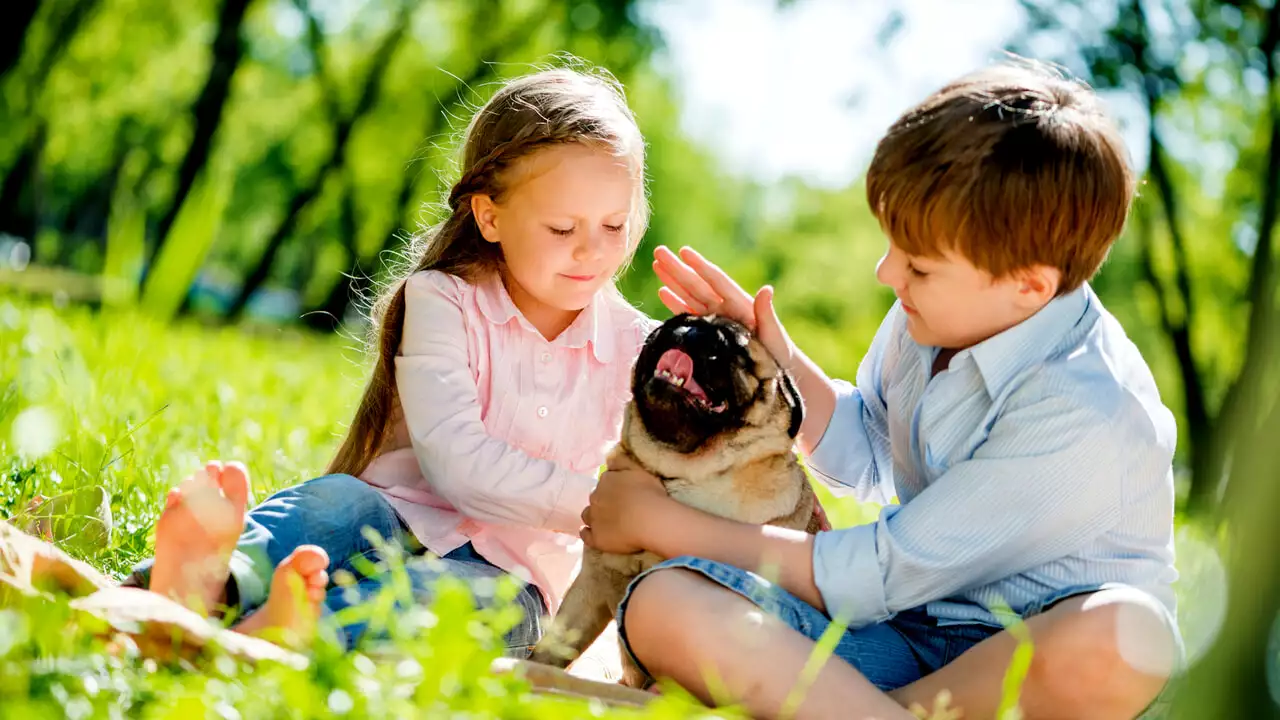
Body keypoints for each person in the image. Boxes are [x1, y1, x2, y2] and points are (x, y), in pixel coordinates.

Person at [581, 59, 1182, 719]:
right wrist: (778, 360)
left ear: (1028, 286)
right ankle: (868, 709)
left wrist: (662, 524)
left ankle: (834, 708)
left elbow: (873, 574)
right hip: (901, 640)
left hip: (1026, 662)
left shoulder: (1085, 407)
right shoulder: (934, 314)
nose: (886, 271)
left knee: (1130, 638)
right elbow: (867, 447)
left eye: (918, 265)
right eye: (894, 244)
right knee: (664, 604)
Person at [122, 65, 660, 656]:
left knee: (447, 606)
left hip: (517, 579)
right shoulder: (443, 299)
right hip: (393, 513)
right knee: (332, 505)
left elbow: (751, 449)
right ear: (490, 216)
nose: (592, 249)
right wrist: (610, 506)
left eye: (614, 225)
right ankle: (210, 579)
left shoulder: (644, 350)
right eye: (562, 227)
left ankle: (294, 632)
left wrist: (740, 346)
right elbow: (461, 464)